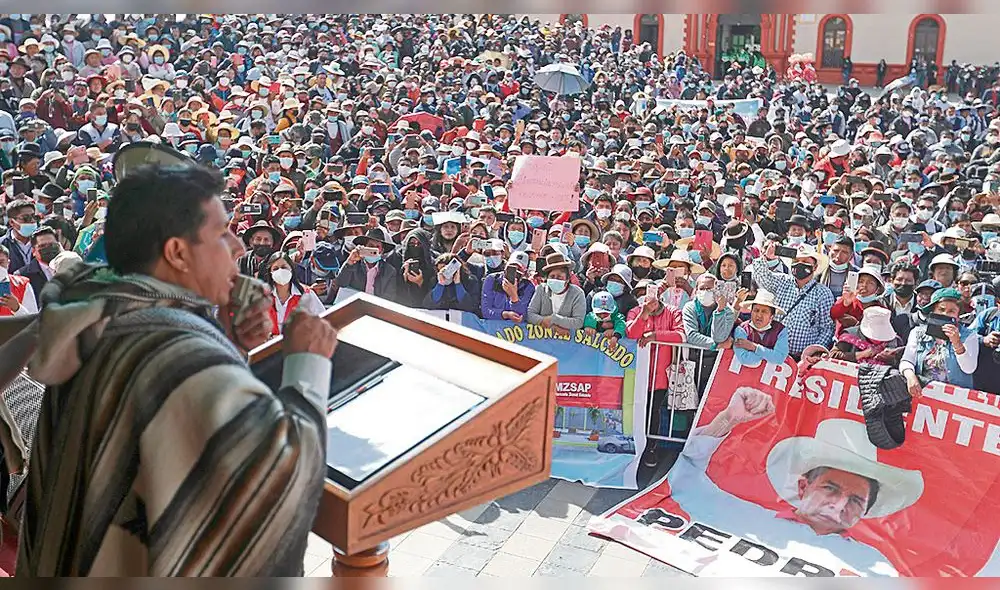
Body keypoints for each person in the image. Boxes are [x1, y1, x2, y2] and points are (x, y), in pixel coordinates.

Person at [17, 164, 338, 576]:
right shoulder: (183, 354)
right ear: (178, 253)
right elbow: (279, 474)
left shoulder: (98, 315)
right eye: (222, 233)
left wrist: (225, 341)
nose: (239, 247)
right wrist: (307, 362)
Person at [671, 388, 923, 576]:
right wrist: (728, 419)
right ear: (803, 487)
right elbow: (685, 478)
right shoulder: (743, 516)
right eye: (831, 488)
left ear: (867, 510)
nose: (839, 505)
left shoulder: (872, 563)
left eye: (856, 500)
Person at [752, 243, 835, 358]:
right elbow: (762, 277)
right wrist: (767, 257)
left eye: (805, 261)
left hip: (802, 357)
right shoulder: (782, 281)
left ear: (815, 267)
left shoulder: (823, 293)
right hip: (773, 350)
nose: (800, 264)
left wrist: (813, 352)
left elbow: (826, 328)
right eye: (796, 261)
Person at [900, 287, 979, 395]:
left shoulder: (969, 336)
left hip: (956, 398)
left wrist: (957, 343)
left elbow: (969, 368)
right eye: (941, 310)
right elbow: (907, 360)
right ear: (933, 311)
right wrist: (910, 376)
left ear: (958, 315)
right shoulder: (917, 332)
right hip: (924, 393)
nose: (945, 314)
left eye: (951, 311)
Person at [260, 251, 325, 336]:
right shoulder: (262, 296)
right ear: (270, 272)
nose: (280, 271)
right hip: (269, 346)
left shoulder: (306, 294)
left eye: (284, 267)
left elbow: (322, 319)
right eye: (275, 268)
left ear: (291, 269)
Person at [527, 252, 587, 335]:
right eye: (552, 276)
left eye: (559, 277)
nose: (556, 279)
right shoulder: (541, 289)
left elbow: (578, 322)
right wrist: (546, 323)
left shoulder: (577, 293)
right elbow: (530, 314)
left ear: (567, 279)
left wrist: (554, 319)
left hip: (567, 343)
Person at [732, 289, 789, 365]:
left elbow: (779, 359)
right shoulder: (742, 329)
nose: (759, 315)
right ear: (751, 312)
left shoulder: (781, 331)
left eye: (764, 311)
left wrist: (753, 347)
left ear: (771, 316)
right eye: (756, 310)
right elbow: (745, 359)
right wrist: (770, 354)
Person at [0, 243, 37, 317]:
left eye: (1, 262)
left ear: (8, 263)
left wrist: (17, 308)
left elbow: (34, 320)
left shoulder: (22, 284)